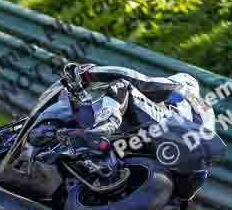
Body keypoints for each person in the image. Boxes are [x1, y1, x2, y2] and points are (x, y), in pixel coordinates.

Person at [59, 63, 215, 149]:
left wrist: (89, 74)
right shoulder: (207, 111)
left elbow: (132, 77)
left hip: (168, 130)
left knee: (123, 85)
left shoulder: (178, 88)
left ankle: (106, 124)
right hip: (187, 157)